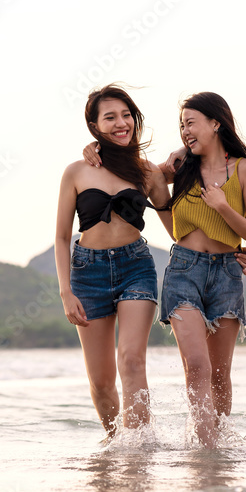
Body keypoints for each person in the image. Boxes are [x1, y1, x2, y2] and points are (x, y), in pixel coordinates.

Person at [83, 92, 246, 448]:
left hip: (226, 271)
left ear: (216, 123)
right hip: (183, 270)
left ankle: (219, 448)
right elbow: (132, 170)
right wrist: (94, 147)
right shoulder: (179, 169)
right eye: (181, 126)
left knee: (220, 373)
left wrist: (223, 208)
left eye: (191, 123)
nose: (184, 131)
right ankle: (203, 446)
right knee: (197, 366)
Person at [55, 84, 171, 439]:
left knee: (132, 360)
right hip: (86, 274)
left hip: (136, 266)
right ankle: (115, 442)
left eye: (126, 116)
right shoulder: (76, 171)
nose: (121, 123)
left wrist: (231, 247)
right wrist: (65, 291)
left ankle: (139, 451)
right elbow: (61, 237)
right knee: (102, 382)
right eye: (110, 117)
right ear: (95, 126)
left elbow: (179, 229)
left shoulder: (148, 172)